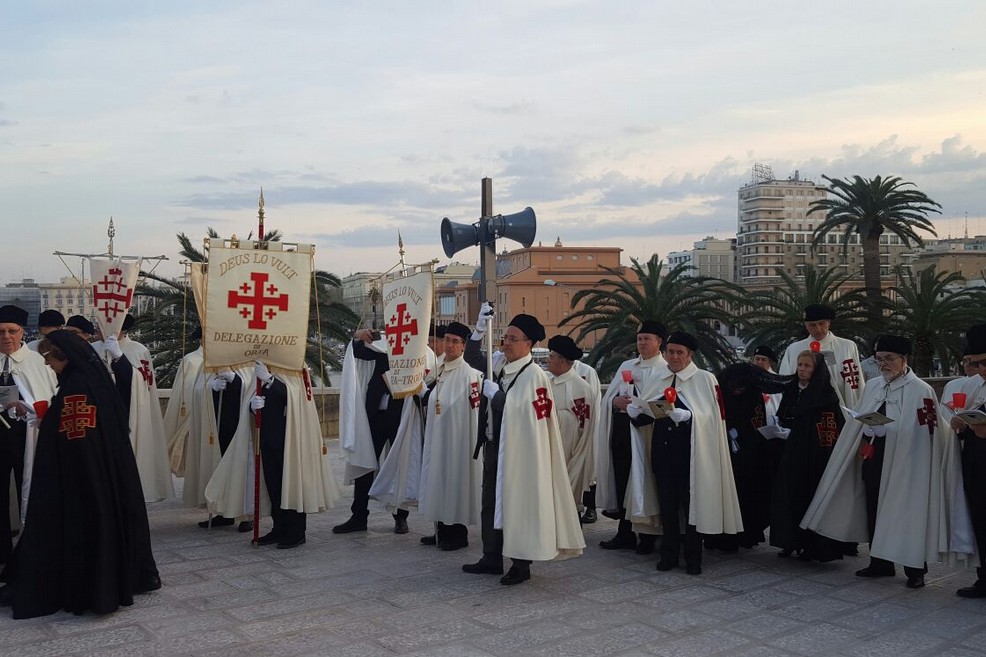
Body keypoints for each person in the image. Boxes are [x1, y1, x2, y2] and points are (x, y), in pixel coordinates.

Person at [0, 329, 160, 618]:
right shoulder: (85, 380)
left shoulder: (77, 387)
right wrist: (36, 410)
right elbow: (66, 417)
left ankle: (91, 587)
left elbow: (75, 434)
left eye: (49, 357)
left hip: (82, 480)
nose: (47, 364)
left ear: (62, 354)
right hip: (98, 476)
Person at [804, 334, 974, 588]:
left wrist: (891, 432)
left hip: (908, 464)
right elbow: (859, 417)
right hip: (875, 458)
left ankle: (914, 569)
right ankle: (880, 563)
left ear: (904, 360)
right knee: (874, 507)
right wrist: (866, 428)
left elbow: (927, 431)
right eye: (878, 359)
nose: (883, 364)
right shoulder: (873, 386)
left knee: (906, 514)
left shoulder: (921, 390)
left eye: (888, 359)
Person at [462, 311, 584, 585]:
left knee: (518, 504)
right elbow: (471, 361)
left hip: (520, 452)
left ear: (528, 344)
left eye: (512, 339)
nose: (506, 343)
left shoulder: (534, 377)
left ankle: (520, 563)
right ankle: (491, 556)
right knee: (490, 503)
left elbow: (528, 414)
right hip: (495, 447)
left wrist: (498, 398)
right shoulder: (501, 365)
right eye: (505, 337)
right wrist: (479, 331)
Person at [629, 331, 742, 575]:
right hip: (663, 452)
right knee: (667, 506)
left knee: (693, 506)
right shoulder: (660, 376)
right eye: (671, 351)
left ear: (689, 355)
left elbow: (713, 416)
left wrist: (691, 416)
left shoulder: (704, 379)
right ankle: (668, 554)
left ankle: (693, 556)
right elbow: (651, 412)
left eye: (680, 352)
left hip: (692, 454)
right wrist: (635, 413)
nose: (674, 356)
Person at [595, 320, 668, 554]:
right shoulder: (628, 365)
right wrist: (615, 402)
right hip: (621, 434)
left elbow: (666, 404)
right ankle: (624, 533)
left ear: (659, 342)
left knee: (647, 484)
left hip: (647, 435)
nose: (642, 343)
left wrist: (640, 408)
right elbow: (609, 398)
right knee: (623, 481)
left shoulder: (665, 369)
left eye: (647, 338)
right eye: (639, 338)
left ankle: (647, 535)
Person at [249, 361, 339, 548]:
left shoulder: (297, 364)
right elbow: (256, 394)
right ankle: (279, 528)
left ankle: (296, 532)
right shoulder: (265, 364)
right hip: (267, 436)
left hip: (290, 438)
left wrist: (270, 380)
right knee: (273, 485)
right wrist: (252, 405)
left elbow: (296, 396)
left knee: (291, 484)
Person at [769, 350, 845, 562]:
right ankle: (789, 541)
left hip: (814, 458)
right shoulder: (792, 389)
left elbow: (830, 428)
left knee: (810, 497)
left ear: (816, 369)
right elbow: (784, 415)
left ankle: (812, 546)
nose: (802, 369)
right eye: (800, 365)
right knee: (788, 497)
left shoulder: (825, 395)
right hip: (791, 455)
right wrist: (782, 427)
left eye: (807, 366)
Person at [335, 328, 412, 535]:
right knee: (364, 463)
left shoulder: (413, 345)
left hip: (400, 416)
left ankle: (400, 517)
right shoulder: (382, 343)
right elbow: (358, 351)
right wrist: (357, 336)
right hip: (375, 414)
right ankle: (359, 516)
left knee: (399, 466)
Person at [417, 321, 483, 551]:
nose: (450, 345)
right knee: (437, 478)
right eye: (447, 340)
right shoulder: (439, 366)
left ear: (464, 346)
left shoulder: (469, 374)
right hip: (437, 435)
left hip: (457, 440)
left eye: (455, 342)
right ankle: (440, 529)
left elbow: (453, 405)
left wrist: (427, 395)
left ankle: (456, 534)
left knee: (453, 481)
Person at [0, 305, 57, 565]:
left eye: (12, 331)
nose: (7, 337)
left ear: (23, 331)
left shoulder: (39, 362)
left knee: (31, 488)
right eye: (1, 332)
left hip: (28, 434)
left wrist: (31, 408)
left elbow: (51, 397)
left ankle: (31, 546)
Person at [707, 363, 775, 551]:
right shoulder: (719, 398)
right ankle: (718, 536)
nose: (737, 389)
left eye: (742, 386)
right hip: (723, 456)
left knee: (747, 495)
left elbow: (758, 425)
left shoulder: (754, 398)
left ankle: (744, 535)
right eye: (733, 386)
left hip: (750, 459)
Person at [947, 324, 986, 598]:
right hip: (976, 460)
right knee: (981, 520)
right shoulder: (975, 384)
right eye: (975, 363)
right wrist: (960, 422)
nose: (980, 369)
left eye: (984, 363)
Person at [779, 304, 865, 408]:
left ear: (829, 323)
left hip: (838, 406)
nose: (818, 329)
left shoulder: (846, 346)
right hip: (804, 409)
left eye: (822, 323)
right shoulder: (794, 349)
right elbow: (785, 381)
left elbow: (854, 382)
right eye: (812, 325)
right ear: (806, 325)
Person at [546, 335, 596, 515]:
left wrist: (554, 416)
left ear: (563, 360)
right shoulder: (548, 382)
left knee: (567, 503)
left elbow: (582, 425)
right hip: (548, 450)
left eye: (551, 356)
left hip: (570, 453)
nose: (547, 360)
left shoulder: (581, 388)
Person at [572, 356, 602, 524]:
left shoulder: (586, 372)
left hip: (586, 424)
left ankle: (590, 507)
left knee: (589, 467)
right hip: (568, 428)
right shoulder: (553, 375)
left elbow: (594, 398)